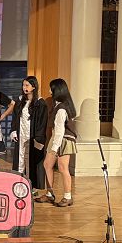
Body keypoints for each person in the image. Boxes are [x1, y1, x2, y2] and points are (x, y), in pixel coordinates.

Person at [36, 78, 77, 207]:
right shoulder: (57, 105)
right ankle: (49, 194)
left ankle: (68, 196)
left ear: (57, 90)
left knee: (63, 168)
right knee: (47, 164)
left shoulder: (61, 109)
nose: (49, 90)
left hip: (63, 139)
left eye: (51, 88)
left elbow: (60, 131)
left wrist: (54, 148)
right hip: (56, 138)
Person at [10, 76, 48, 193]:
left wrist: (39, 138)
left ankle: (32, 187)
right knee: (20, 160)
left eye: (27, 85)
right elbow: (15, 117)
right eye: (23, 85)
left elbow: (42, 122)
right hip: (21, 136)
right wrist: (13, 130)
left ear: (34, 87)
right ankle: (19, 184)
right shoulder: (20, 100)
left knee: (31, 161)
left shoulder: (40, 103)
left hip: (33, 137)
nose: (24, 87)